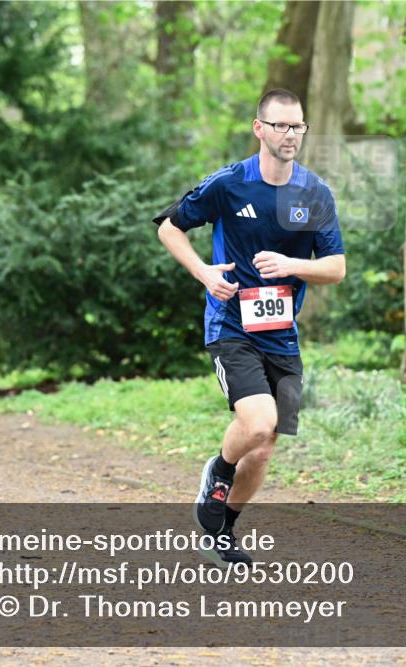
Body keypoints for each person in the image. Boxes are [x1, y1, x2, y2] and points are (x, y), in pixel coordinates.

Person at [154, 89, 346, 565]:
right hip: (231, 325)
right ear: (259, 129)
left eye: (297, 126)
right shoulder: (229, 184)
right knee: (258, 425)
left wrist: (291, 264)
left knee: (263, 449)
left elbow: (337, 267)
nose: (290, 135)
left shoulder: (315, 193)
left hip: (282, 334)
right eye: (280, 125)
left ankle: (223, 529)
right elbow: (168, 227)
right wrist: (203, 272)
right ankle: (218, 470)